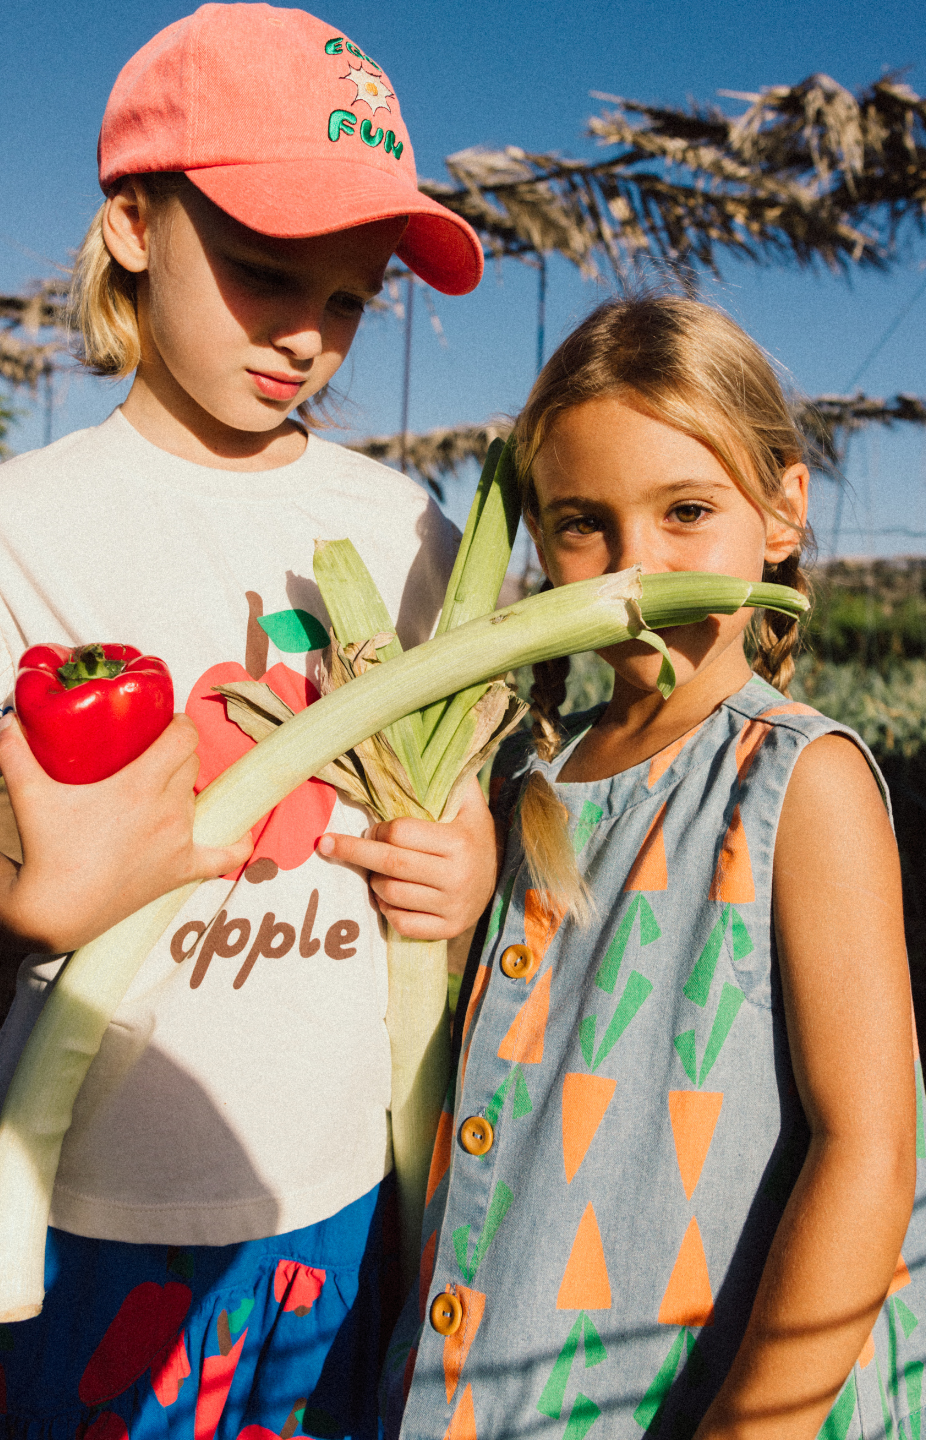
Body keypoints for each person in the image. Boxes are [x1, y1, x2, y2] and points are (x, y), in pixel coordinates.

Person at [0, 5, 496, 1433]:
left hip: (339, 1188)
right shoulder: (30, 531)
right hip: (78, 1210)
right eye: (269, 275)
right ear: (137, 222)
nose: (308, 342)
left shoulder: (409, 530)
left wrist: (457, 869)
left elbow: (456, 795)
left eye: (346, 302)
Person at [382, 297, 926, 1440]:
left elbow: (868, 1146)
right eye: (583, 525)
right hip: (511, 1379)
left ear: (784, 510)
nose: (636, 569)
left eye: (687, 511)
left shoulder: (801, 781)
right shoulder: (533, 787)